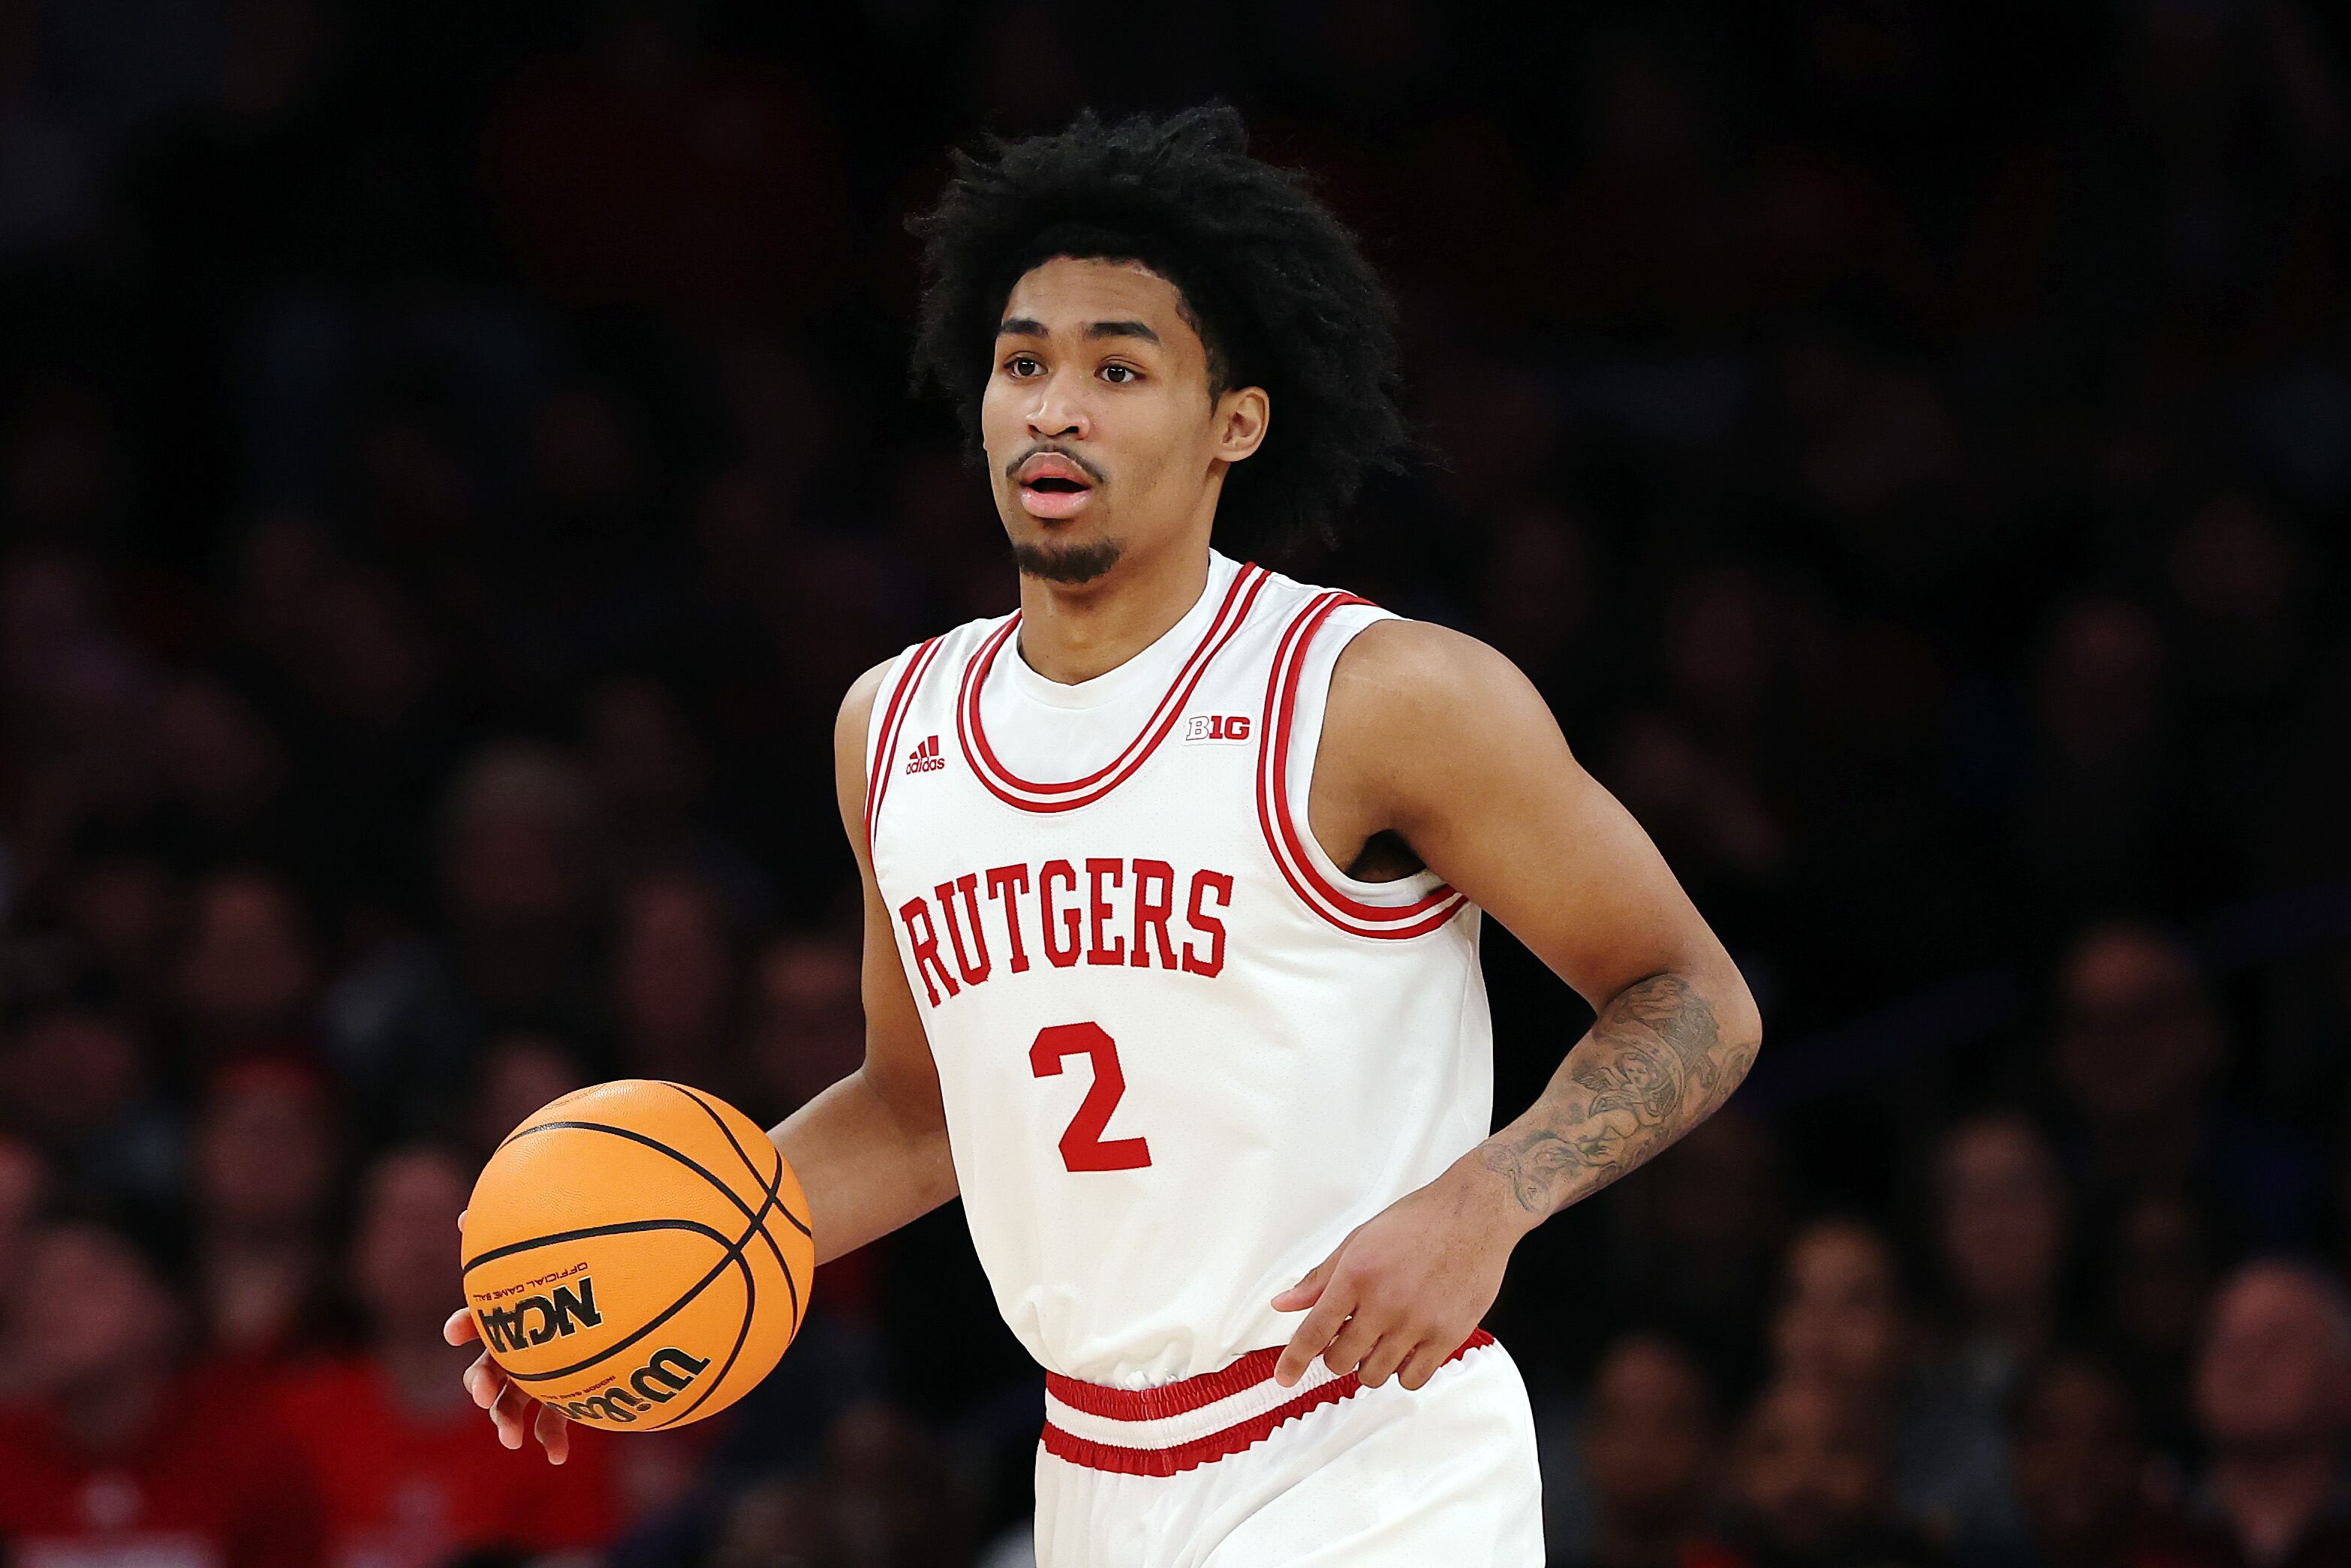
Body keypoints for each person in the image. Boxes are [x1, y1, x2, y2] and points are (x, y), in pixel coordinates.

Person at [453, 104, 1762, 1566]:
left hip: (1373, 1448)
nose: (1054, 406)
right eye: (1025, 363)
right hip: (1091, 1468)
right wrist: (611, 1285)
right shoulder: (891, 726)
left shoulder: (1382, 697)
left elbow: (1692, 997)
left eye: (1117, 367)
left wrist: (1490, 1196)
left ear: (1235, 424)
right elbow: (920, 1111)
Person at [278, 1147, 614, 1568]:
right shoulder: (300, 1414)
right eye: (401, 1218)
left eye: (446, 1219)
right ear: (353, 1252)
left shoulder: (553, 1413)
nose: (425, 1238)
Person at [0, 1212, 324, 1568]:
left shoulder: (251, 1462)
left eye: (83, 1283)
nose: (49, 1306)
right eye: (36, 1285)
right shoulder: (8, 1458)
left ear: (164, 1307)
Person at [2186, 1262, 2351, 1568]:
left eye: (2275, 1343)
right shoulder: (2144, 1528)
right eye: (2227, 1344)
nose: (2244, 1367)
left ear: (2343, 1376)